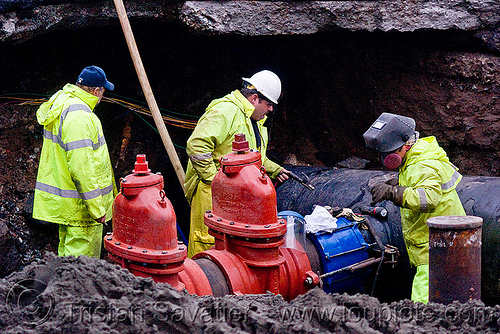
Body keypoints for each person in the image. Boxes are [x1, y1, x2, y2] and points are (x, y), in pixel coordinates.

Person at [184, 70, 290, 257]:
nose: (271, 109)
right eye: (269, 104)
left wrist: (275, 169)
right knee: (209, 246)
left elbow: (255, 156)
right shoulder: (226, 110)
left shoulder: (254, 121)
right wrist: (214, 180)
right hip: (212, 194)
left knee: (233, 250)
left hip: (236, 195)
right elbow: (197, 146)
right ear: (254, 98)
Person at [363, 112, 465, 304]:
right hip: (436, 241)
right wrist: (398, 182)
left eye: (387, 153)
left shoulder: (422, 164)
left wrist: (393, 192)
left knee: (422, 304)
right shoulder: (415, 159)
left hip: (437, 244)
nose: (384, 158)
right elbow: (417, 181)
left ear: (405, 145)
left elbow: (429, 198)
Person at [33, 65, 118, 258]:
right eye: (103, 91)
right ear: (97, 91)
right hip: (82, 211)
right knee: (82, 270)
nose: (102, 96)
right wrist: (97, 208)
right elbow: (82, 168)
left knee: (68, 262)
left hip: (69, 205)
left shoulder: (62, 103)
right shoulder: (80, 116)